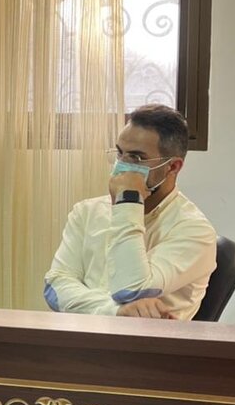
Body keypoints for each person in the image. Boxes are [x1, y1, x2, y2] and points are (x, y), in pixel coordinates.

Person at [44, 105, 216, 320]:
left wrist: (128, 201)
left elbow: (130, 289)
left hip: (152, 340)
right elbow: (55, 287)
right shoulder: (87, 211)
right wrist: (113, 310)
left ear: (173, 167)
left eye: (136, 158)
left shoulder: (194, 230)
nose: (122, 165)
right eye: (119, 153)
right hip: (83, 334)